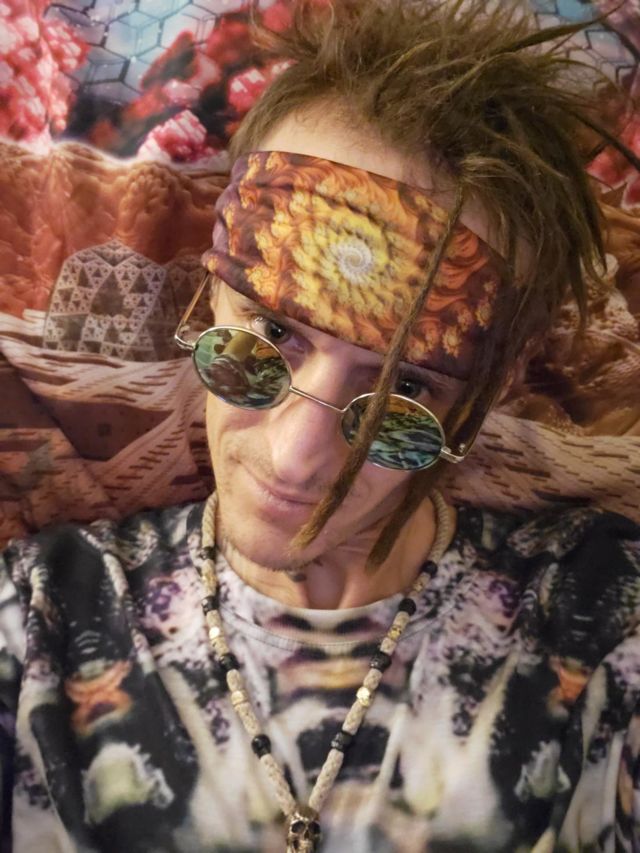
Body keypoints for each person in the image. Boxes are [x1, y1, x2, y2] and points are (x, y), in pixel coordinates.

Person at [1, 1, 639, 850]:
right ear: (210, 293)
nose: (295, 455)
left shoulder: (601, 621)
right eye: (268, 336)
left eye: (405, 388)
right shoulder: (39, 623)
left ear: (491, 392)